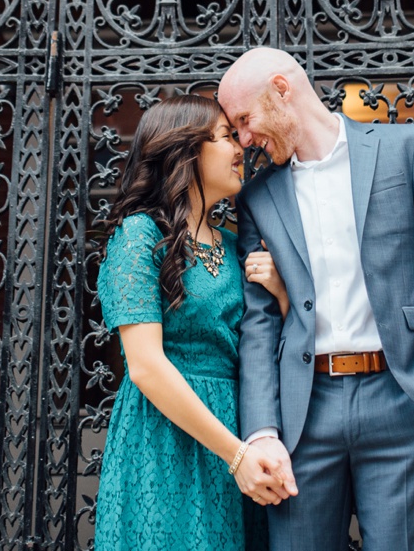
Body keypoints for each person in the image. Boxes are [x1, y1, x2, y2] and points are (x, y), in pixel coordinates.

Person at [218, 48, 414, 551]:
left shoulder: (405, 147)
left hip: (402, 400)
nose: (244, 139)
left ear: (281, 88)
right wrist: (261, 431)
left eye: (245, 120)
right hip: (303, 415)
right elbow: (258, 324)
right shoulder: (257, 197)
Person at [93, 94, 296, 551]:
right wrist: (235, 454)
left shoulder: (233, 242)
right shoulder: (139, 235)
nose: (240, 148)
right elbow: (144, 366)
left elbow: (271, 350)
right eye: (226, 137)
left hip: (237, 426)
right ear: (186, 150)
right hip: (166, 437)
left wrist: (283, 295)